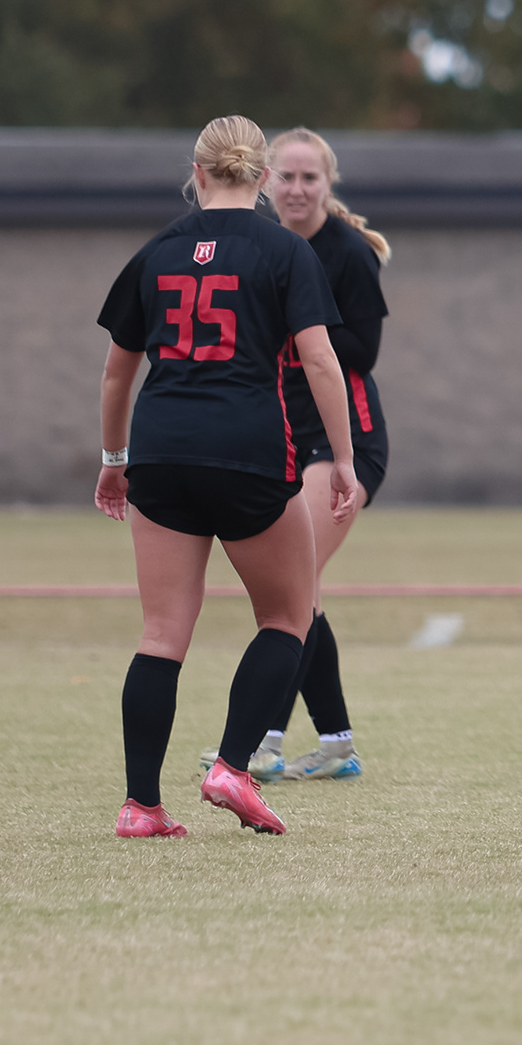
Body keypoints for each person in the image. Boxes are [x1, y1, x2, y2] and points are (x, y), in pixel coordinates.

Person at [98, 116, 360, 839]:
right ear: (264, 175)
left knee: (161, 633)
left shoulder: (157, 251)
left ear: (197, 171)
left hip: (160, 449)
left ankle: (140, 806)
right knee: (288, 616)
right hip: (248, 447)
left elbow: (117, 374)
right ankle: (232, 768)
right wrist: (343, 458)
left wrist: (114, 461)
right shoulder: (285, 250)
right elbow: (320, 360)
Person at [252, 127, 390, 780]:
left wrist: (301, 320)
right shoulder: (258, 246)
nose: (298, 188)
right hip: (282, 435)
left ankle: (262, 740)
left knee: (290, 584)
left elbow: (362, 351)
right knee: (298, 592)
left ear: (329, 184)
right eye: (286, 176)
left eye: (311, 177)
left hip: (344, 441)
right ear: (265, 182)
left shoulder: (349, 253)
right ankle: (335, 744)